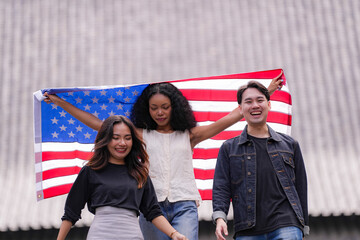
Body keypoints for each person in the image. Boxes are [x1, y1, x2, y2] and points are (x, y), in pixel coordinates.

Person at [45, 73, 283, 240]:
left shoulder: (189, 135)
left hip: (184, 205)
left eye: (165, 107)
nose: (160, 112)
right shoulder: (139, 134)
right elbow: (100, 125)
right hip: (151, 206)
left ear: (174, 107)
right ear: (146, 109)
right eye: (154, 107)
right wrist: (62, 103)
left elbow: (229, 118)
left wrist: (266, 91)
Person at [56, 115, 188, 240]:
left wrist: (174, 233)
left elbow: (153, 212)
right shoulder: (90, 171)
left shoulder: (140, 173)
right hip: (100, 235)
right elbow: (71, 212)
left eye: (127, 138)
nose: (122, 143)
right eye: (116, 137)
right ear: (106, 139)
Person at [212, 81, 309, 240]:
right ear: (240, 109)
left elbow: (301, 187)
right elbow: (221, 187)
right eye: (248, 102)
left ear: (269, 104)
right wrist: (220, 217)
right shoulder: (229, 148)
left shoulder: (290, 145)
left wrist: (303, 224)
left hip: (286, 224)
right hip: (247, 228)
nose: (255, 105)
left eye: (260, 100)